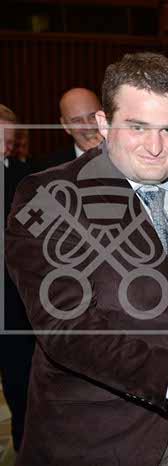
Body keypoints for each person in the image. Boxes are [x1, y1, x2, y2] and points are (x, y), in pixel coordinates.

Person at [5, 52, 168, 466]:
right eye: (138, 127)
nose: (155, 148)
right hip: (93, 441)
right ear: (104, 124)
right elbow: (67, 328)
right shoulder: (48, 197)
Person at [0, 104, 32, 452]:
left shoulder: (25, 179)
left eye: (8, 143)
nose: (3, 150)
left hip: (13, 305)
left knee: (19, 384)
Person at [33, 87, 103, 172]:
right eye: (77, 120)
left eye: (93, 116)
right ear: (65, 125)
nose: (88, 126)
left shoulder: (118, 156)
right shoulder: (48, 167)